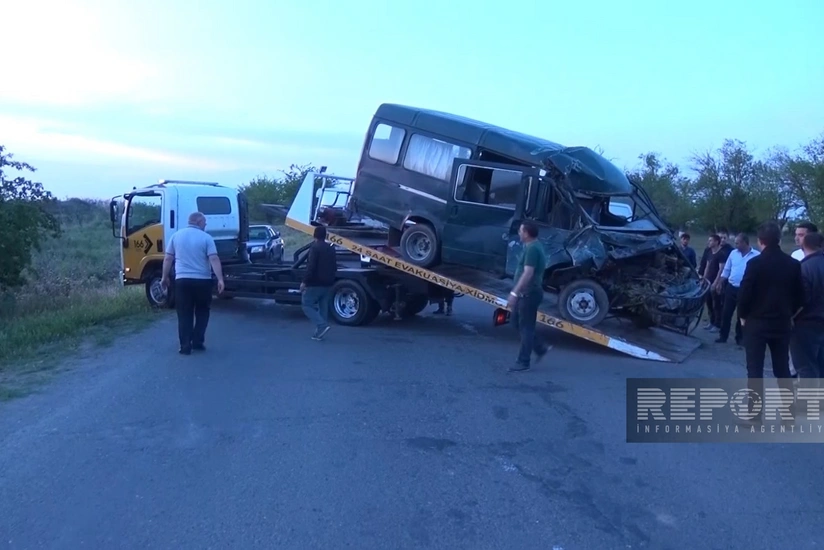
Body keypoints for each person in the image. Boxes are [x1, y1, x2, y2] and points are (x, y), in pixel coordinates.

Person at [737, 221, 804, 420]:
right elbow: (801, 297)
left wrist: (742, 316)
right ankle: (788, 414)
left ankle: (754, 416)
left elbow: (744, 294)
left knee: (755, 369)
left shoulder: (755, 263)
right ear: (779, 240)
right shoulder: (793, 264)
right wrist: (789, 315)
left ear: (760, 241)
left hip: (756, 323)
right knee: (782, 369)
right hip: (782, 323)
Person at [160, 212, 225, 355]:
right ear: (199, 221)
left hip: (182, 281)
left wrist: (164, 277)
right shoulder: (206, 238)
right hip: (203, 281)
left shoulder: (176, 236)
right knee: (202, 311)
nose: (206, 224)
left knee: (184, 313)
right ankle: (197, 341)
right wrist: (220, 279)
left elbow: (168, 259)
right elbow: (213, 259)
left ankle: (185, 346)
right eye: (205, 221)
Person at [506, 221, 551, 372]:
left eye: (520, 231)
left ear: (526, 233)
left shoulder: (532, 249)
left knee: (526, 327)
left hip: (529, 293)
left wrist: (514, 293)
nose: (519, 233)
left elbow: (528, 273)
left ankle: (523, 361)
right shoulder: (532, 247)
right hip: (526, 293)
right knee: (515, 322)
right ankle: (540, 347)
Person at [713, 233, 759, 345]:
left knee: (742, 314)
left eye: (737, 243)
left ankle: (740, 338)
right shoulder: (733, 253)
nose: (735, 245)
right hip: (731, 287)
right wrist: (720, 282)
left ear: (745, 243)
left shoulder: (757, 255)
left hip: (746, 290)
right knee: (726, 312)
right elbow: (727, 269)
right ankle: (723, 336)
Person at [790, 232, 824, 379]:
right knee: (819, 364)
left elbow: (801, 301)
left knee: (805, 368)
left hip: (806, 325)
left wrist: (789, 317)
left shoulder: (803, 268)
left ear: (804, 245)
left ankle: (808, 401)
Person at [300, 225, 337, 340]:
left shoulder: (315, 248)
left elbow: (311, 267)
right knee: (323, 306)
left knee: (306, 304)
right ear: (325, 235)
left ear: (314, 235)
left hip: (316, 282)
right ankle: (319, 332)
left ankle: (321, 325)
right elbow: (334, 266)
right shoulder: (330, 248)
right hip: (328, 282)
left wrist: (304, 282)